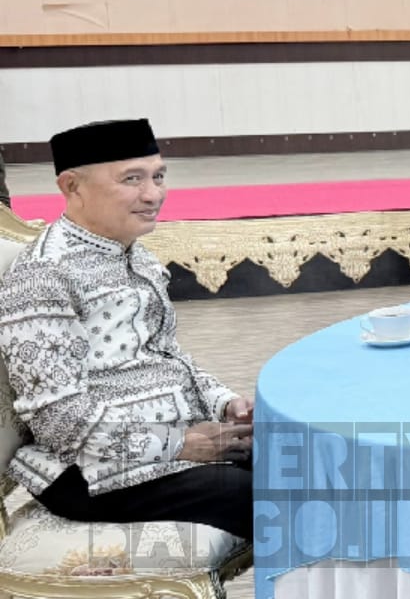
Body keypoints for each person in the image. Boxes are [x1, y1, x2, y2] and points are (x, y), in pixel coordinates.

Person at [0, 120, 254, 539]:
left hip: (171, 439)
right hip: (90, 473)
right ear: (72, 186)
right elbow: (58, 419)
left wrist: (225, 405)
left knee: (313, 459)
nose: (153, 194)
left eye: (158, 176)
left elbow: (166, 358)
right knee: (277, 496)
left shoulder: (137, 257)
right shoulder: (43, 276)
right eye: (132, 179)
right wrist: (179, 444)